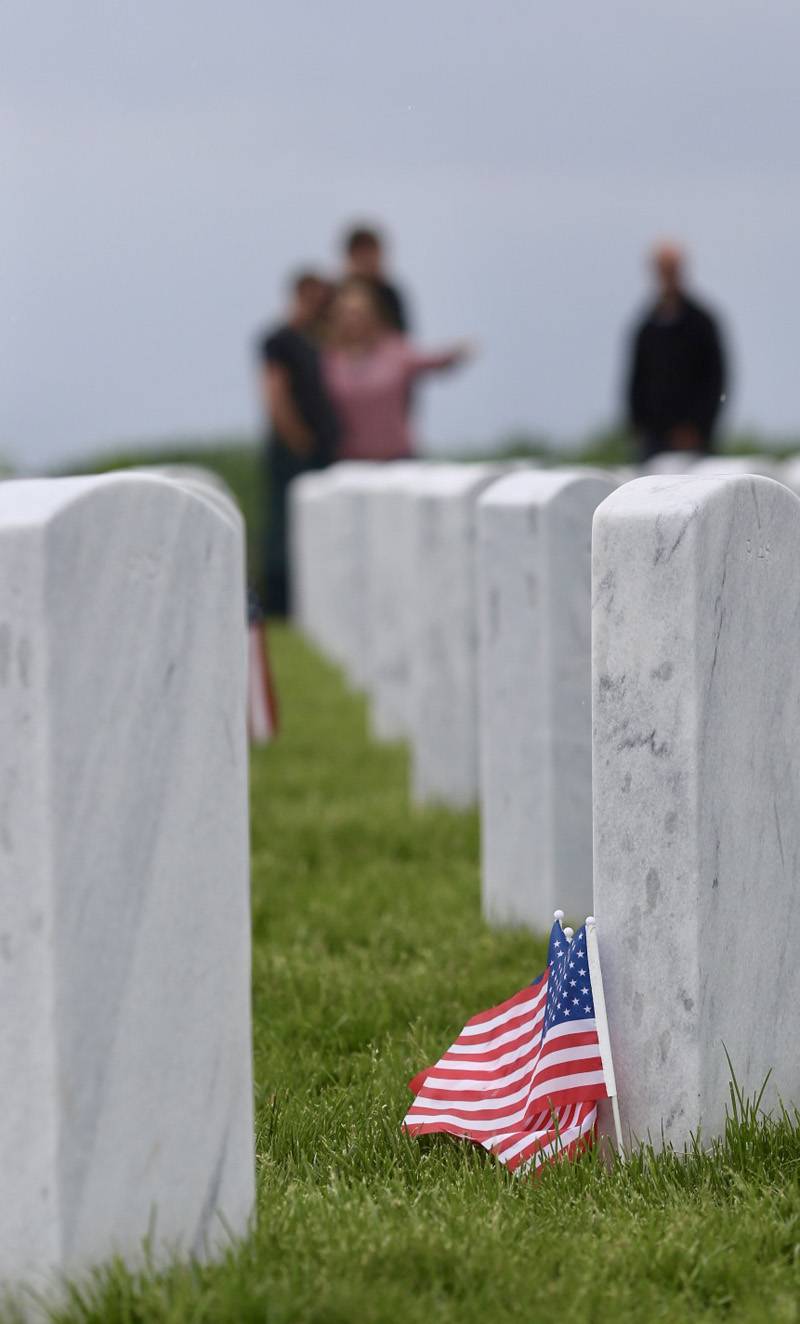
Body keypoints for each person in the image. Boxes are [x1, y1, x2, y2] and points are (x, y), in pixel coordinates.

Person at [257, 270, 340, 616]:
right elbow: (274, 394)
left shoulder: (315, 340)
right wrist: (297, 437)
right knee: (283, 525)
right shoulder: (279, 339)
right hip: (294, 450)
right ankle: (278, 601)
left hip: (317, 446)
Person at [323, 277, 472, 461]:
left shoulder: (394, 350)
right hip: (352, 463)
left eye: (359, 312)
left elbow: (429, 360)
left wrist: (456, 353)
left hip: (398, 458)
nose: (354, 320)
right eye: (347, 313)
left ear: (373, 314)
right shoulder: (328, 360)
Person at [626, 242, 727, 460]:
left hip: (693, 440)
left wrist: (699, 426)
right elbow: (636, 378)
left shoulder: (701, 323)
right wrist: (637, 425)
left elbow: (715, 379)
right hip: (653, 440)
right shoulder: (647, 325)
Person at [343, 224, 410, 333]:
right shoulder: (337, 295)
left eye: (370, 253)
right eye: (361, 254)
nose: (366, 260)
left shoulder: (389, 295)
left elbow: (401, 336)